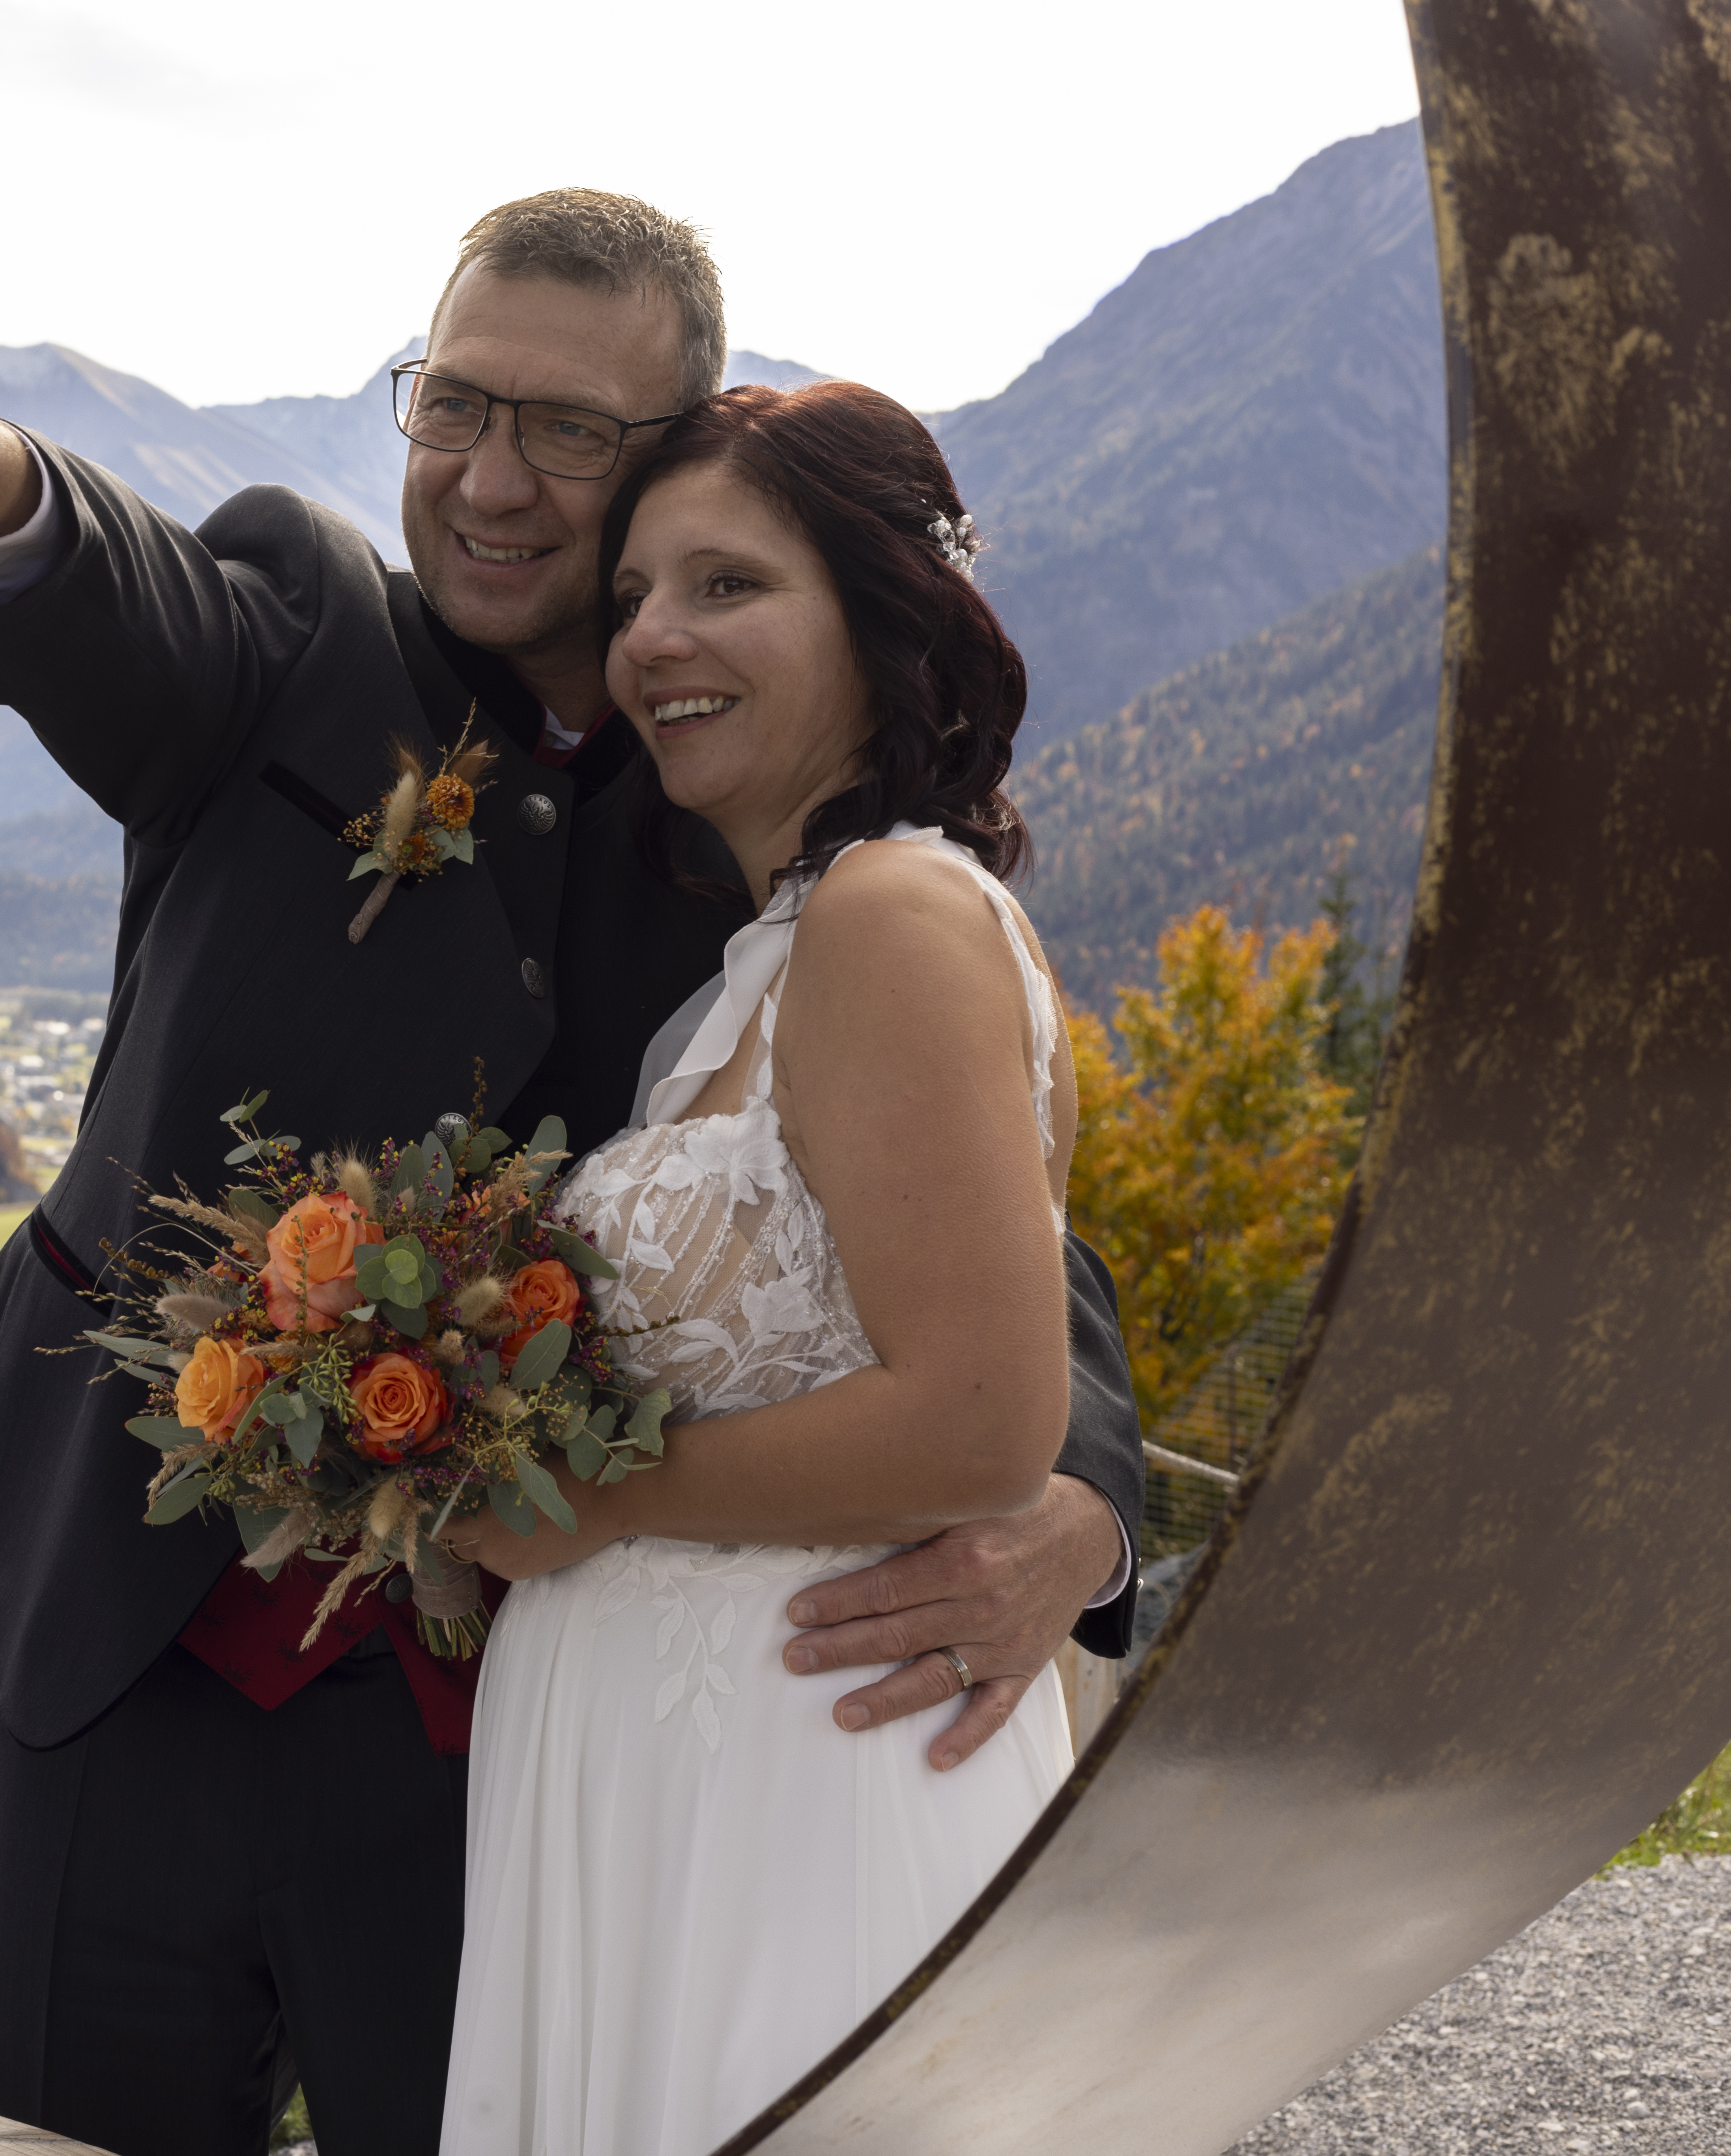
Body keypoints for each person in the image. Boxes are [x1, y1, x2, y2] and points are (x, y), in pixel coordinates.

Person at [0, 191, 1144, 2156]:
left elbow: (952, 1211)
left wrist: (1083, 1498)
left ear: (668, 454)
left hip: (503, 1742)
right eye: (451, 403)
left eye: (564, 430)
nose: (486, 476)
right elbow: (118, 601)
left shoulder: (744, 809)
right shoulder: (299, 626)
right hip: (125, 1655)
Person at [434, 381, 1081, 2152]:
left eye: (728, 585)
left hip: (802, 1796)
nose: (654, 637)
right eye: (637, 595)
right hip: (668, 1788)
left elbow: (982, 1420)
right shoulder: (767, 965)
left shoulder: (889, 919)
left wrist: (595, 1499)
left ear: (884, 625)